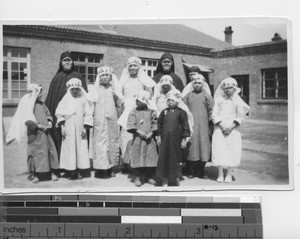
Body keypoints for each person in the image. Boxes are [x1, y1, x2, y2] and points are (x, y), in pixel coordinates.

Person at [6, 84, 59, 183]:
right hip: (34, 135)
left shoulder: (42, 104)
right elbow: (27, 120)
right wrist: (39, 126)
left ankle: (51, 173)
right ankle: (36, 174)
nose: (41, 94)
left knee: (48, 152)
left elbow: (48, 114)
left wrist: (50, 121)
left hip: (46, 134)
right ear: (34, 93)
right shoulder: (28, 105)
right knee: (36, 154)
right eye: (39, 92)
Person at [45, 51, 88, 160]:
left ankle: (77, 165)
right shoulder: (56, 78)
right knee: (59, 136)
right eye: (65, 61)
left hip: (76, 116)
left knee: (76, 139)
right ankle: (60, 163)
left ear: (72, 62)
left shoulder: (79, 77)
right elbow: (50, 99)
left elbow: (85, 99)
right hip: (59, 115)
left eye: (69, 60)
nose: (67, 63)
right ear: (61, 63)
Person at [87, 66, 124, 178]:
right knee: (99, 143)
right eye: (102, 75)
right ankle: (100, 168)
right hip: (99, 119)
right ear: (99, 77)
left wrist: (120, 114)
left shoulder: (114, 89)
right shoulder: (96, 89)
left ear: (111, 76)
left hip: (111, 119)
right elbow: (91, 105)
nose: (105, 77)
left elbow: (119, 103)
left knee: (112, 141)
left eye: (107, 75)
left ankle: (111, 167)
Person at [118, 56, 156, 165]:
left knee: (138, 135)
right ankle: (127, 162)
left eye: (135, 65)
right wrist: (122, 105)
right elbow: (119, 96)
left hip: (140, 111)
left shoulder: (143, 80)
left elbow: (149, 95)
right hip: (127, 111)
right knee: (126, 135)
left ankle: (139, 161)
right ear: (127, 67)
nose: (133, 68)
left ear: (139, 67)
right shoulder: (124, 80)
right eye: (130, 66)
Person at [212, 77, 250, 183]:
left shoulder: (237, 101)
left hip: (233, 129)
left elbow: (240, 115)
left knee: (231, 151)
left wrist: (232, 126)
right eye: (226, 88)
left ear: (235, 89)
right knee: (220, 150)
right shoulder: (219, 100)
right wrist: (222, 126)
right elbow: (214, 115)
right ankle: (220, 173)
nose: (227, 90)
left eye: (230, 88)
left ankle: (229, 174)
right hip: (220, 128)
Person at [55, 78, 93, 180]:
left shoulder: (83, 99)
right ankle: (70, 171)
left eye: (77, 89)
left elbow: (88, 114)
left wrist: (85, 128)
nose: (75, 91)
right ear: (69, 89)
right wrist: (62, 127)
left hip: (80, 128)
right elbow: (60, 114)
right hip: (69, 127)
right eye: (73, 89)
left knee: (80, 148)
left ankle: (80, 170)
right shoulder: (66, 99)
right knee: (70, 148)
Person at [155, 89, 193, 186]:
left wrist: (184, 140)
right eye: (168, 100)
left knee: (175, 158)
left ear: (177, 101)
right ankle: (160, 177)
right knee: (163, 157)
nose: (170, 102)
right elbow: (159, 125)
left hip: (176, 140)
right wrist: (159, 137)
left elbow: (185, 126)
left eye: (172, 100)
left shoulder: (181, 113)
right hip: (165, 140)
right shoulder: (164, 112)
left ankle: (174, 178)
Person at [183, 74, 214, 179]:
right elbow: (183, 110)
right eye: (195, 83)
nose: (197, 85)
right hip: (191, 127)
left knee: (203, 148)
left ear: (203, 84)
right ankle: (191, 171)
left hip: (204, 127)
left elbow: (211, 111)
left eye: (199, 83)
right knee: (192, 148)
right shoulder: (188, 96)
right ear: (192, 84)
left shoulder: (207, 96)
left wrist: (210, 125)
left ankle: (201, 171)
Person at [124, 90, 159, 187]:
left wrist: (152, 133)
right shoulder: (133, 112)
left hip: (150, 139)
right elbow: (131, 124)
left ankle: (149, 176)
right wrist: (139, 132)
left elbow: (155, 123)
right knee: (137, 156)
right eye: (137, 101)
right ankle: (138, 177)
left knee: (150, 157)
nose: (138, 103)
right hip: (138, 139)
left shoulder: (152, 112)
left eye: (140, 101)